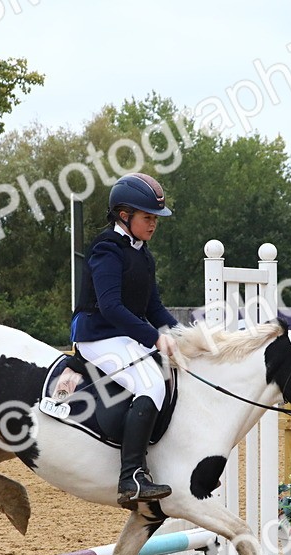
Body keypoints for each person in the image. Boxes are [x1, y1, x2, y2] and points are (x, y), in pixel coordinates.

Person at [71, 173, 181, 508]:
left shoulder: (144, 254)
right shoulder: (107, 249)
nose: (153, 224)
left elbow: (154, 307)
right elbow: (111, 307)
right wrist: (154, 339)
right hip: (97, 334)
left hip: (123, 335)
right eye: (147, 217)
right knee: (151, 383)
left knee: (171, 373)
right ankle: (131, 476)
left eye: (155, 218)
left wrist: (182, 334)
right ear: (124, 215)